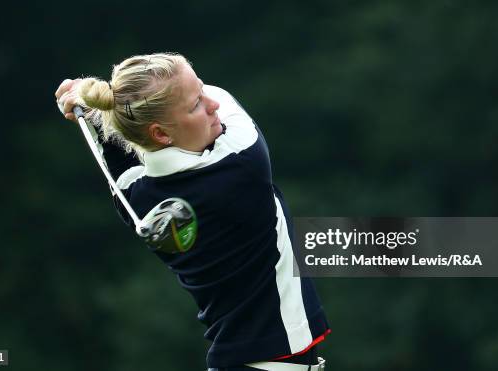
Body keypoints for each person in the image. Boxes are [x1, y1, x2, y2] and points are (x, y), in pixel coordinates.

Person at [55, 53, 330, 371]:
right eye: (196, 104)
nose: (211, 104)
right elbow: (222, 97)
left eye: (202, 93)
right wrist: (98, 107)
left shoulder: (135, 196)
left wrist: (99, 111)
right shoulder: (242, 161)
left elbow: (119, 156)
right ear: (160, 133)